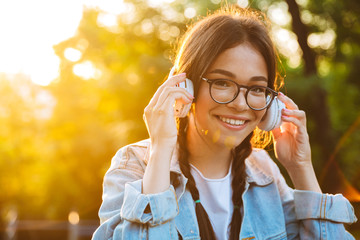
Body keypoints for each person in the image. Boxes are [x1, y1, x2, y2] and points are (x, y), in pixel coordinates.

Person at [92, 5, 357, 240]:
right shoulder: (134, 166)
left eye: (256, 88)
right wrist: (161, 149)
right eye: (222, 83)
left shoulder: (265, 172)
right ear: (186, 87)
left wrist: (301, 168)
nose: (241, 104)